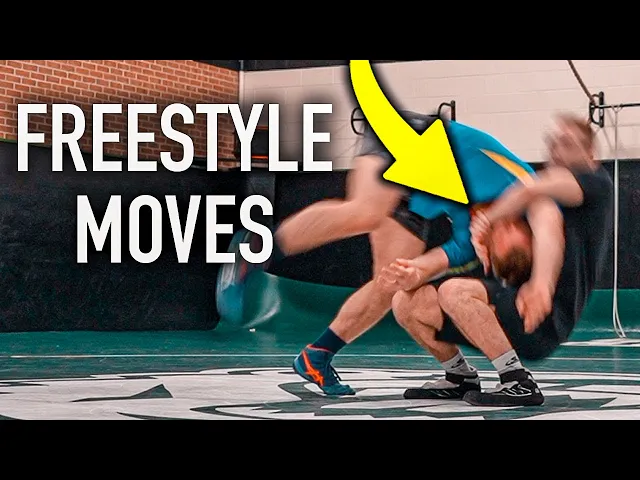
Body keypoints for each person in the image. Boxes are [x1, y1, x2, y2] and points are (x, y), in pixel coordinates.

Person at [219, 111, 537, 396]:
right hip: (410, 139)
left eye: (491, 246)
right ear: (522, 230)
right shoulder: (521, 186)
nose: (491, 235)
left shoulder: (471, 241)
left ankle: (319, 354)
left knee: (390, 283)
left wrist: (415, 272)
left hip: (417, 196)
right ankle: (257, 247)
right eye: (506, 234)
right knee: (367, 212)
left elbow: (431, 263)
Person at [390, 113, 612, 407]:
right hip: (510, 303)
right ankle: (459, 376)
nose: (557, 149)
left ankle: (518, 381)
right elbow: (461, 248)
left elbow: (540, 206)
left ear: (591, 154)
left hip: (545, 314)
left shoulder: (594, 183)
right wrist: (417, 269)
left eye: (567, 143)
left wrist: (540, 283)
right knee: (406, 302)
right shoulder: (527, 193)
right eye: (554, 142)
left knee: (455, 292)